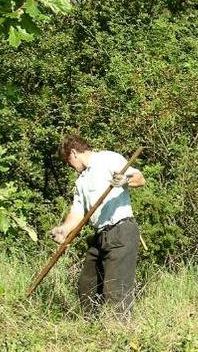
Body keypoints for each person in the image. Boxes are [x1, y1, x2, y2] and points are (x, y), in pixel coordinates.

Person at [50, 134, 145, 317]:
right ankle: (91, 331)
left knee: (116, 290)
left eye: (68, 161)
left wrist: (125, 180)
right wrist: (64, 229)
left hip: (121, 231)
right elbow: (78, 213)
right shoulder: (81, 181)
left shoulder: (107, 159)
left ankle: (121, 334)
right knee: (87, 286)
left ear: (74, 153)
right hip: (100, 236)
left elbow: (140, 178)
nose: (69, 166)